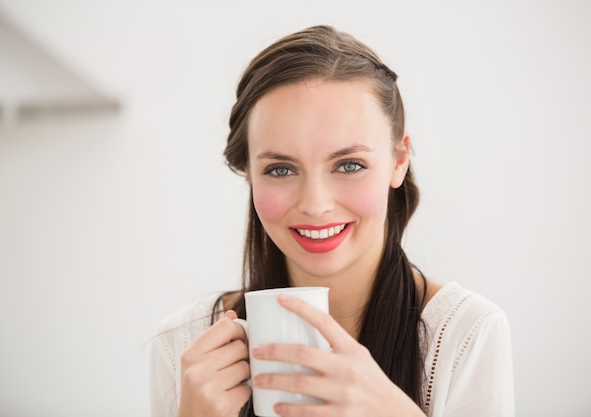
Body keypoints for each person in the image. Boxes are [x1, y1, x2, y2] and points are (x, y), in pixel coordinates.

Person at [150, 25, 515, 417]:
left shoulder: (465, 334)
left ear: (398, 160)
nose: (316, 205)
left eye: (349, 165)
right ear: (249, 173)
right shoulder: (185, 346)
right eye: (280, 170)